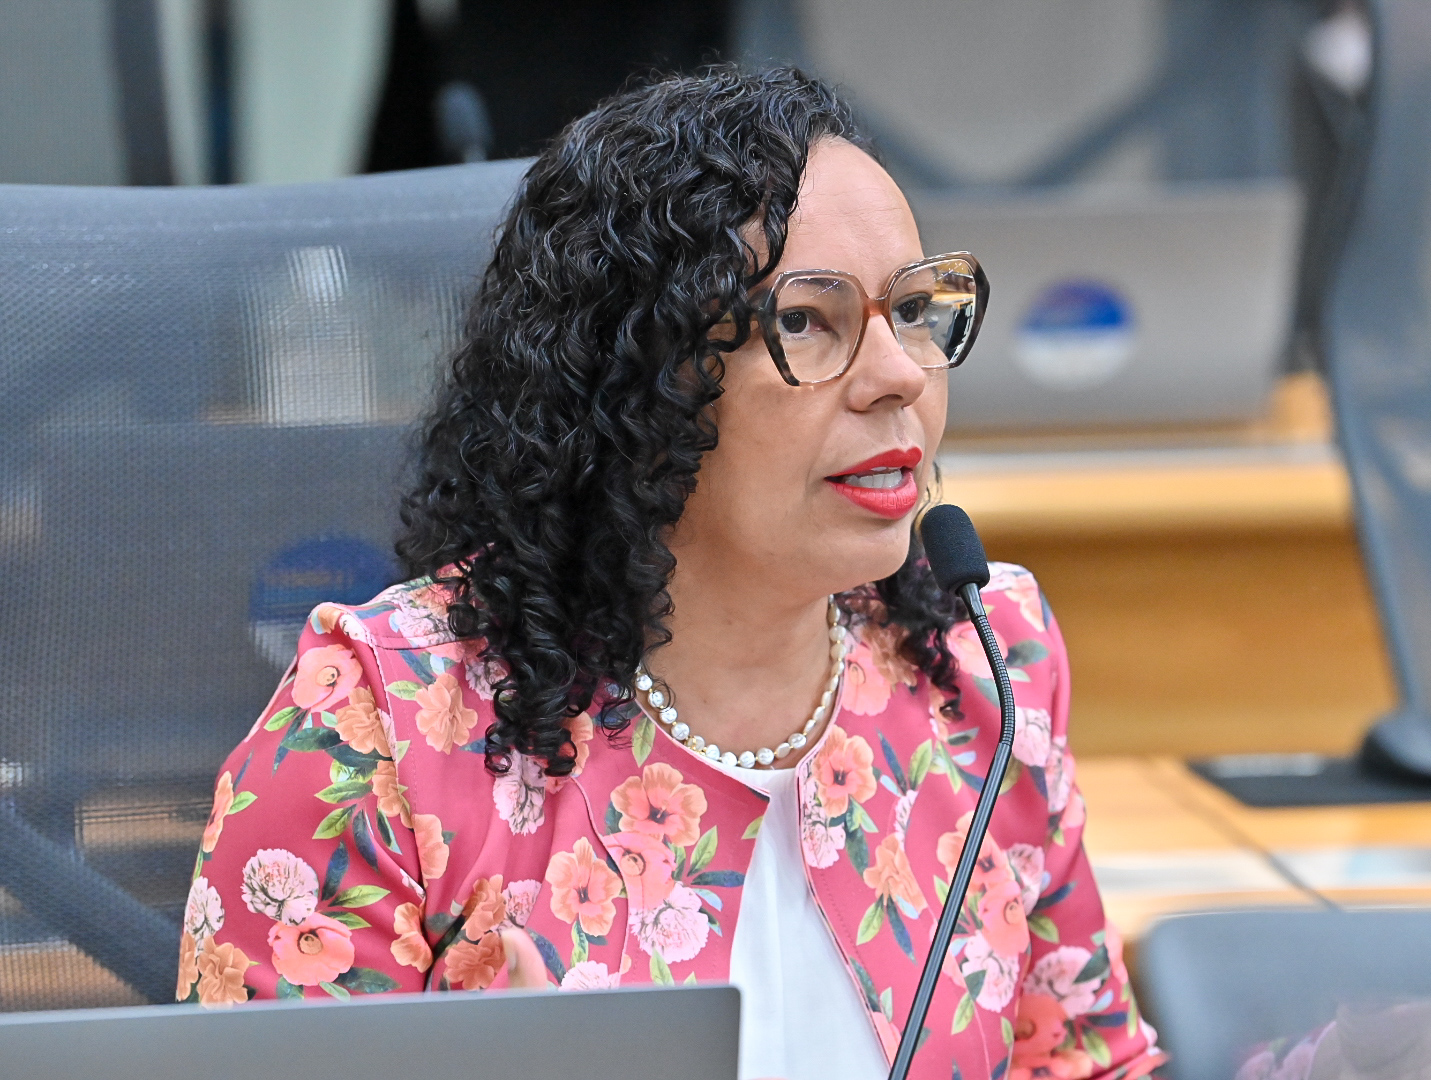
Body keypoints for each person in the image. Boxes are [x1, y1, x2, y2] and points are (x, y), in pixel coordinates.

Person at [178, 66, 1163, 1080]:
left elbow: (1085, 1062)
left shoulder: (985, 660)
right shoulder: (373, 726)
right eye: (805, 320)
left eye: (913, 308)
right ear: (635, 386)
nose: (900, 374)